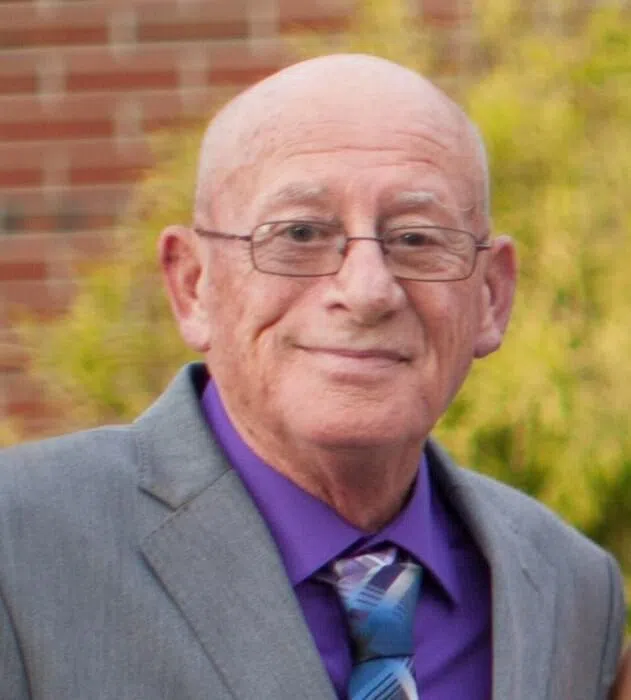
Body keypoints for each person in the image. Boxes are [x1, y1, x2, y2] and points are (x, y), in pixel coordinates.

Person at [0, 54, 624, 700]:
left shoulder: (570, 591)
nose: (367, 291)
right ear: (193, 284)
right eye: (299, 233)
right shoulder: (19, 544)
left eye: (416, 238)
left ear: (491, 296)